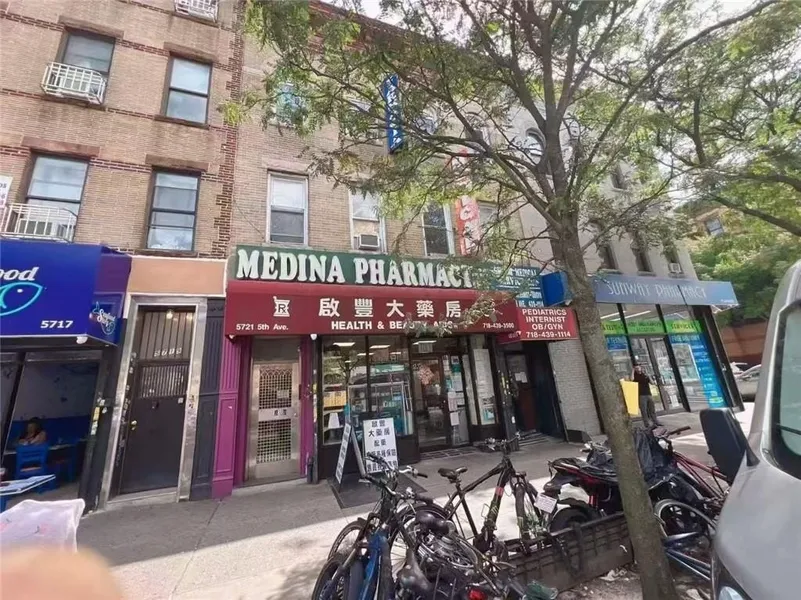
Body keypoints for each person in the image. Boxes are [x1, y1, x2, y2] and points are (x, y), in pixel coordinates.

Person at [632, 364, 662, 429]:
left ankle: (655, 421)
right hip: (641, 395)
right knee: (644, 410)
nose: (638, 369)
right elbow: (632, 379)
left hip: (648, 394)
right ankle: (647, 424)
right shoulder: (635, 376)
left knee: (652, 409)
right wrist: (633, 371)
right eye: (636, 368)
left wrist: (649, 376)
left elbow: (652, 383)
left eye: (638, 368)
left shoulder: (645, 375)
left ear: (641, 368)